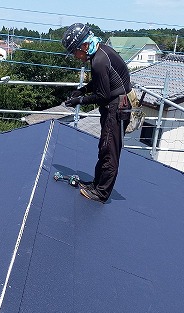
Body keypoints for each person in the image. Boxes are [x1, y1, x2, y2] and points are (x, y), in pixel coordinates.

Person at [62, 23, 131, 203]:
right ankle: (96, 184)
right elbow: (101, 82)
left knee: (109, 151)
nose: (75, 56)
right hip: (114, 104)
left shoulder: (99, 61)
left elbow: (102, 95)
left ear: (84, 46)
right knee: (104, 147)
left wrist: (79, 101)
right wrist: (83, 90)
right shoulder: (100, 52)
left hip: (116, 108)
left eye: (74, 52)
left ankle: (101, 193)